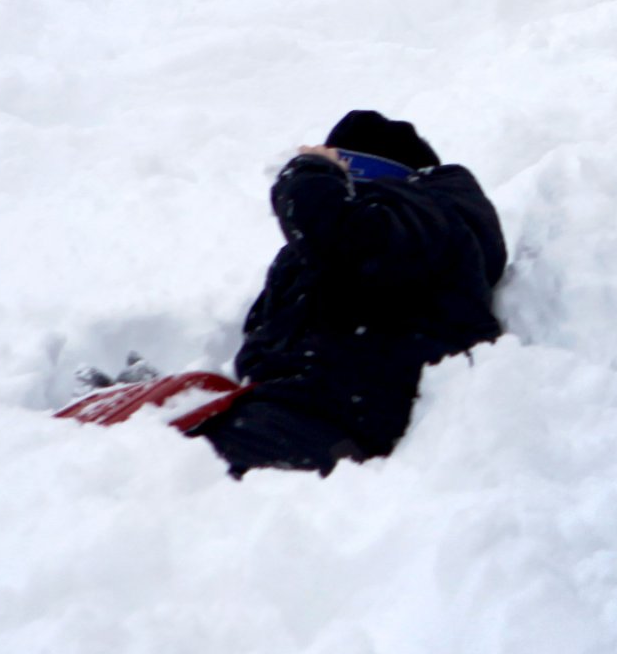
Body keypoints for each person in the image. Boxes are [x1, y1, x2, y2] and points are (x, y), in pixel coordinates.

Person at [197, 112, 506, 479]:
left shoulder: (428, 214)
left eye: (335, 165)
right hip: (289, 412)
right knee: (154, 443)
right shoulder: (322, 254)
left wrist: (309, 174)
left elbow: (340, 234)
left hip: (344, 422)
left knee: (180, 463)